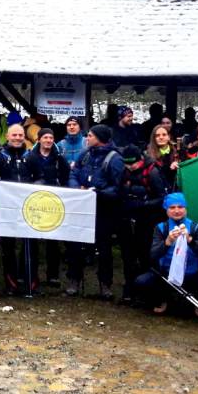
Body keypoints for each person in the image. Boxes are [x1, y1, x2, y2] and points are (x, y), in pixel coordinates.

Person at [128, 192, 198, 316]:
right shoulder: (161, 228)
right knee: (141, 282)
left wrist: (190, 241)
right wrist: (167, 242)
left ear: (186, 208)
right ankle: (161, 300)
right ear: (166, 210)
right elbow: (153, 255)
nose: (177, 211)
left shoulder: (196, 228)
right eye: (172, 207)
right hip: (166, 275)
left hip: (192, 274)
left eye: (180, 207)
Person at [67, 124, 125, 299]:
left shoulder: (114, 159)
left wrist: (98, 193)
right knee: (75, 245)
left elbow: (118, 187)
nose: (87, 138)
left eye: (90, 135)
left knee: (104, 248)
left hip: (104, 209)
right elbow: (74, 174)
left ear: (99, 138)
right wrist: (78, 189)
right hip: (83, 207)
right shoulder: (85, 155)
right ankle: (74, 280)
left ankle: (105, 284)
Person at [0, 124, 34, 296]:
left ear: (24, 136)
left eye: (20, 135)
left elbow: (40, 178)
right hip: (6, 207)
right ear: (7, 136)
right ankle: (10, 283)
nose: (17, 138)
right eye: (14, 135)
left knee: (29, 245)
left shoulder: (31, 156)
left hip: (29, 208)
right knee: (8, 247)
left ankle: (29, 281)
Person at [119, 144, 168, 299]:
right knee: (128, 256)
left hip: (148, 221)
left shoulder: (152, 172)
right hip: (128, 219)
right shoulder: (124, 172)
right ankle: (129, 289)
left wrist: (143, 204)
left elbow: (163, 199)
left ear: (140, 159)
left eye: (133, 163)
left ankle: (147, 292)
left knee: (146, 256)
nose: (130, 166)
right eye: (127, 163)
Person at [25, 127, 71, 288]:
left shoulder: (59, 158)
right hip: (35, 203)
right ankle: (31, 274)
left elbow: (66, 177)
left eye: (51, 138)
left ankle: (53, 275)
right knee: (33, 241)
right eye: (45, 138)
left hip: (53, 204)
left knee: (53, 241)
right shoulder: (30, 157)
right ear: (39, 139)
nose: (48, 141)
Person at [144, 124, 180, 193]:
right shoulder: (147, 155)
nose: (161, 137)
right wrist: (169, 169)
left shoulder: (178, 151)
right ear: (154, 138)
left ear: (169, 137)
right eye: (157, 135)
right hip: (157, 193)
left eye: (164, 135)